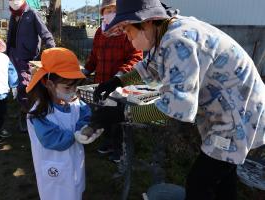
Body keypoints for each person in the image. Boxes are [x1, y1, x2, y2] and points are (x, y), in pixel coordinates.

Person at [93, 0, 265, 199]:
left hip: (239, 116)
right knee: (222, 178)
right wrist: (116, 81)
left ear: (146, 22)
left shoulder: (178, 41)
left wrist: (122, 113)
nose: (127, 36)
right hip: (230, 112)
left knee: (200, 183)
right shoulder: (166, 32)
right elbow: (149, 68)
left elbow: (174, 109)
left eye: (127, 29)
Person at [26, 48, 103, 200]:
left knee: (74, 191)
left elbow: (85, 115)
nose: (73, 91)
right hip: (54, 166)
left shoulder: (74, 102)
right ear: (49, 84)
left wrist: (85, 128)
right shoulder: (40, 112)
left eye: (75, 86)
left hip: (73, 162)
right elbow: (51, 138)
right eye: (67, 87)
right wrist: (76, 135)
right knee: (57, 194)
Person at [83, 0, 143, 162]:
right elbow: (94, 57)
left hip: (121, 84)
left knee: (119, 118)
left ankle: (120, 148)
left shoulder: (127, 32)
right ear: (102, 13)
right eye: (106, 10)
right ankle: (108, 142)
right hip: (101, 82)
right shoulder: (99, 32)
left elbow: (136, 57)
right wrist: (86, 70)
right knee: (103, 113)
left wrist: (121, 74)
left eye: (113, 10)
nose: (109, 13)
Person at [6, 0, 56, 132]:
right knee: (17, 85)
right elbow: (11, 35)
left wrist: (53, 51)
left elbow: (45, 34)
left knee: (25, 86)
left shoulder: (32, 13)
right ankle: (24, 110)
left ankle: (26, 114)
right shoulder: (13, 14)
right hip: (13, 55)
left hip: (27, 57)